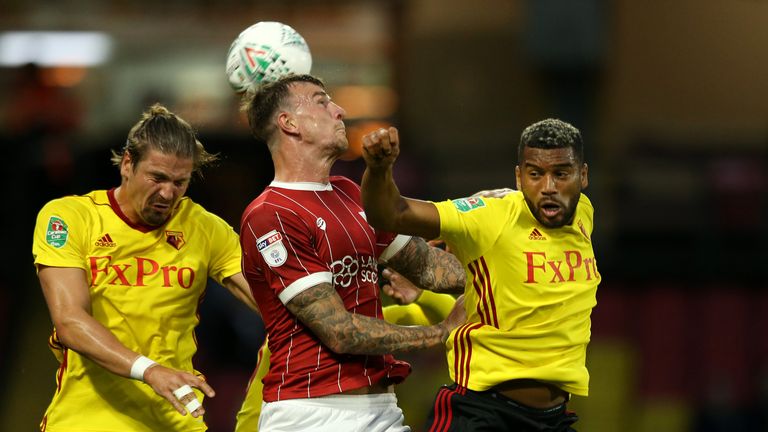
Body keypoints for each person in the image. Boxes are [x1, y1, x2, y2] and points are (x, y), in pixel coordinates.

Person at [238, 74, 467, 431]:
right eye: (321, 101)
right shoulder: (270, 214)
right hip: (310, 411)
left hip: (381, 404)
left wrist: (504, 261)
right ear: (289, 123)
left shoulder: (349, 193)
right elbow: (340, 331)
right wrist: (441, 332)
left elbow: (426, 265)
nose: (339, 110)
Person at [360, 119, 600, 431]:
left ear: (582, 176)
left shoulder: (584, 213)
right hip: (482, 413)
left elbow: (515, 284)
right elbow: (390, 213)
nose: (548, 187)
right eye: (535, 174)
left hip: (553, 420)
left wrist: (427, 291)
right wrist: (379, 169)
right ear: (518, 177)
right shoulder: (491, 216)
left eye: (561, 174)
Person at [32, 103, 258, 432]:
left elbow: (268, 301)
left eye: (180, 182)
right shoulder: (71, 217)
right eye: (158, 178)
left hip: (176, 418)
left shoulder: (205, 228)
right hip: (87, 419)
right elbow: (69, 320)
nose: (167, 193)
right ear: (127, 163)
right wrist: (150, 370)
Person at [234, 267, 457, 432]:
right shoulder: (290, 341)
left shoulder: (374, 327)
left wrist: (421, 293)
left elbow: (456, 322)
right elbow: (256, 407)